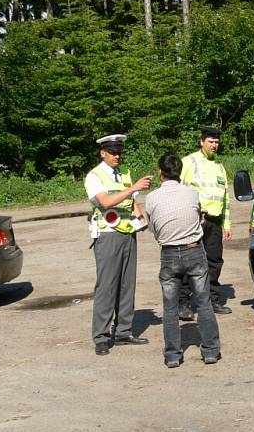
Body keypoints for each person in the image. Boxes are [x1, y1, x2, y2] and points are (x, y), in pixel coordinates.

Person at [144, 154, 221, 368]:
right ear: (179, 172)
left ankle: (172, 355)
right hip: (194, 250)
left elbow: (152, 227)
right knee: (203, 302)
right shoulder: (192, 192)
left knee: (170, 307)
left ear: (160, 172)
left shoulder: (151, 198)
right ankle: (211, 351)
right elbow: (199, 217)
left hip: (168, 253)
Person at [85, 134, 152, 356]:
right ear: (102, 152)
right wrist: (133, 188)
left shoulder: (124, 173)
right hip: (107, 235)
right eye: (112, 152)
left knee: (127, 285)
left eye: (119, 151)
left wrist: (141, 220)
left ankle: (123, 331)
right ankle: (101, 337)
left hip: (127, 234)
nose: (117, 155)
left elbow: (131, 202)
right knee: (107, 286)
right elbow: (105, 202)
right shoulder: (94, 176)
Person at [179, 127, 233, 319]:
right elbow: (177, 190)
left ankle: (212, 299)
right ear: (201, 142)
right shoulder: (188, 162)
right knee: (188, 262)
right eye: (210, 141)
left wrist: (226, 224)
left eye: (217, 142)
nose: (214, 145)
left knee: (214, 261)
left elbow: (225, 198)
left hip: (215, 222)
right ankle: (183, 304)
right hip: (194, 221)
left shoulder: (220, 166)